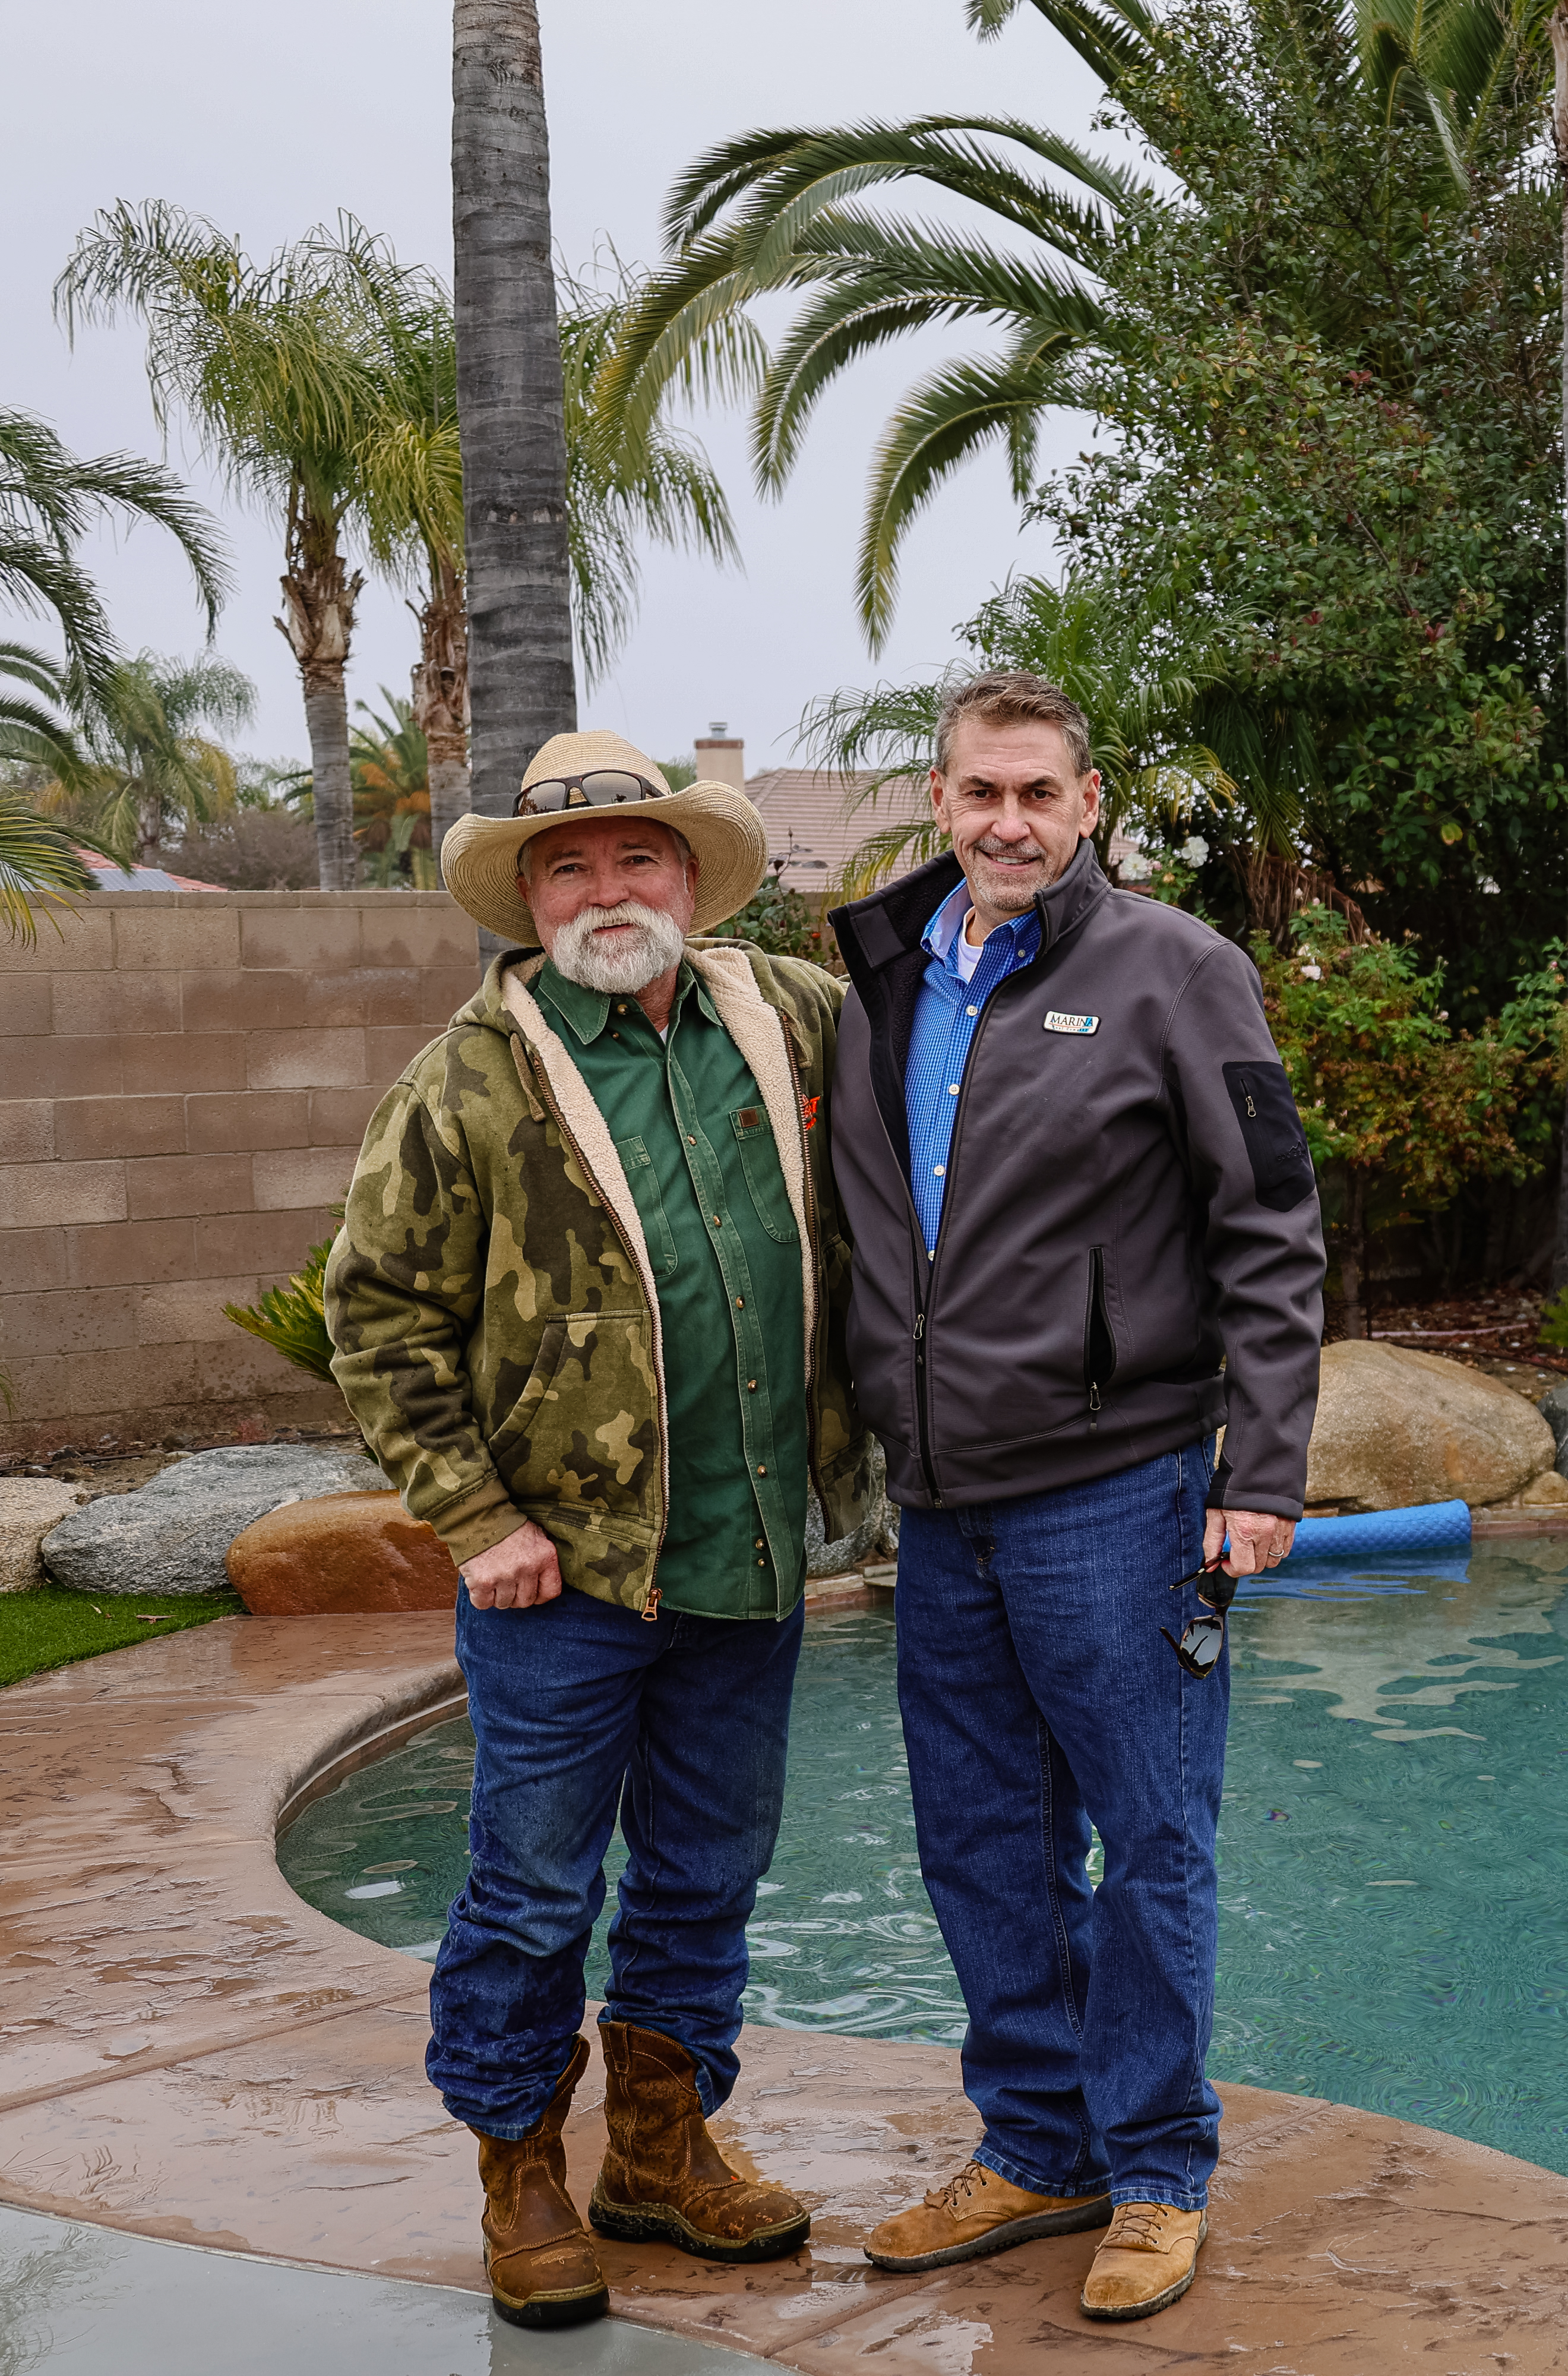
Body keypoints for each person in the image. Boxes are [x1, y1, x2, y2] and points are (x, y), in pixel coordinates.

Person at [325, 731, 874, 2328]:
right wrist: (474, 1516)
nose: (606, 890)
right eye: (569, 867)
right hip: (556, 1575)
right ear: (530, 898)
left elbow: (956, 1100)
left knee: (706, 1876)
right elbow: (378, 1315)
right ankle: (519, 2172)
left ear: (691, 880)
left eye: (639, 857)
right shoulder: (467, 1080)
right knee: (532, 1890)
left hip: (747, 1550)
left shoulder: (795, 1017)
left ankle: (659, 2148)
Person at [827, 671, 1322, 2323]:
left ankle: (1158, 2170)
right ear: (940, 798)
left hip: (1119, 1489)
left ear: (1089, 803)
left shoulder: (1179, 970)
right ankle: (1039, 2146)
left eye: (1041, 793)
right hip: (940, 1499)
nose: (1011, 823)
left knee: (1150, 1837)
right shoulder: (881, 978)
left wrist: (1264, 1468)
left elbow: (1271, 1225)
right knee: (981, 1842)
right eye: (983, 792)